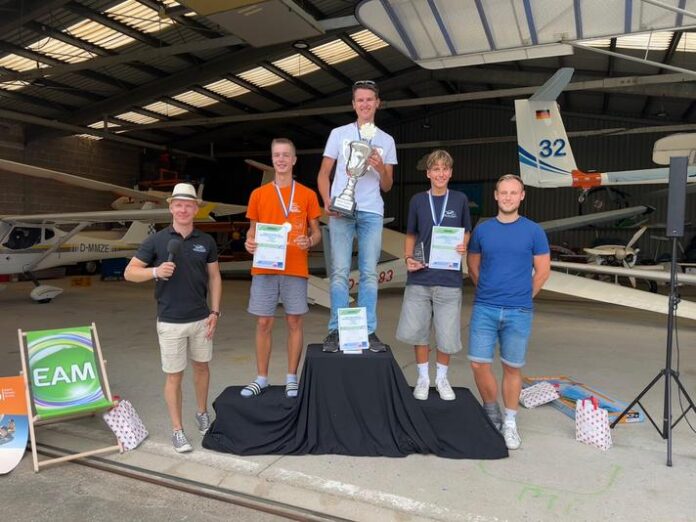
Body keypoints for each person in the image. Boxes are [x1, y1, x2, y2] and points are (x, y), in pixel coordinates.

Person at [125, 183, 222, 453]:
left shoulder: (206, 241)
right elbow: (129, 272)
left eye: (188, 205)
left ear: (195, 209)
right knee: (174, 376)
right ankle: (177, 430)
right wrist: (155, 272)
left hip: (201, 318)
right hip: (169, 321)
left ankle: (202, 413)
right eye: (178, 204)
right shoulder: (156, 241)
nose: (183, 209)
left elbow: (214, 277)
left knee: (202, 367)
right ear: (170, 207)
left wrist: (215, 311)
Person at [466, 174, 550, 450]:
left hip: (518, 311)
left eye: (514, 193)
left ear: (522, 196)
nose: (508, 197)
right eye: (504, 192)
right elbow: (473, 266)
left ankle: (511, 422)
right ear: (495, 195)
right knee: (479, 364)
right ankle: (492, 411)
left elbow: (542, 271)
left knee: (512, 368)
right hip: (485, 308)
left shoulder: (534, 231)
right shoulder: (483, 230)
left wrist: (524, 296)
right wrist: (489, 290)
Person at [317, 80, 397, 352]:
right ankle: (336, 330)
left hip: (372, 211)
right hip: (342, 209)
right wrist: (327, 200)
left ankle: (368, 330)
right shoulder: (339, 134)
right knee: (339, 272)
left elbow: (387, 185)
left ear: (377, 103)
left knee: (369, 273)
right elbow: (323, 173)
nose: (364, 104)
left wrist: (379, 167)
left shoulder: (386, 141)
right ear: (354, 104)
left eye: (369, 99)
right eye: (360, 100)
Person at [241, 138, 321, 398]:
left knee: (294, 321)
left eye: (286, 155)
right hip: (265, 267)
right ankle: (262, 378)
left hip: (295, 267)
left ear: (294, 160)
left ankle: (291, 378)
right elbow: (251, 232)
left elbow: (317, 232)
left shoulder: (307, 194)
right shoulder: (258, 194)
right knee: (263, 322)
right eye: (277, 155)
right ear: (272, 159)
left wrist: (309, 240)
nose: (282, 159)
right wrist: (249, 243)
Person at [396, 150, 471, 401]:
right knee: (419, 332)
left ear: (451, 173)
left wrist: (463, 245)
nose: (440, 173)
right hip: (420, 277)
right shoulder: (417, 200)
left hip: (449, 279)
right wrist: (408, 258)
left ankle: (441, 378)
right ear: (428, 173)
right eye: (435, 169)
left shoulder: (459, 199)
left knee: (447, 333)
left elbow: (467, 231)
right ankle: (423, 378)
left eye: (445, 168)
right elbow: (410, 234)